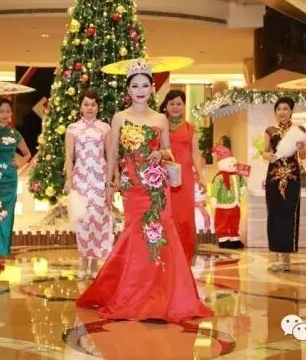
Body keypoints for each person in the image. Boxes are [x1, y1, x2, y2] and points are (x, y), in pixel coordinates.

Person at [76, 59, 212, 322]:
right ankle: (133, 294)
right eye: (135, 86)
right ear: (128, 89)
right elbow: (112, 153)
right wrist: (109, 185)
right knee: (136, 235)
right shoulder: (120, 117)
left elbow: (169, 152)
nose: (140, 90)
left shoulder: (160, 118)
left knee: (162, 236)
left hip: (157, 186)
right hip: (133, 187)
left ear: (152, 88)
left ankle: (162, 295)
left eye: (145, 85)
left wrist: (160, 153)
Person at [64, 90, 112, 279]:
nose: (89, 108)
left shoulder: (105, 128)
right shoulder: (73, 128)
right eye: (86, 104)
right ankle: (84, 260)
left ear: (98, 107)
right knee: (83, 220)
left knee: (99, 218)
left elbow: (110, 155)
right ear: (80, 106)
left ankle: (95, 262)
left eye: (93, 104)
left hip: (100, 179)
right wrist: (69, 179)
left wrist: (111, 180)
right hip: (81, 179)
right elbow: (69, 156)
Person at [0, 97, 31, 271]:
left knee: (5, 217)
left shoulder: (15, 134)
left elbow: (27, 154)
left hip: (9, 178)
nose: (4, 114)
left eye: (7, 111)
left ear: (11, 114)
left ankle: (0, 255)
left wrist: (20, 162)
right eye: (1, 111)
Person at [261, 97, 306, 271]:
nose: (282, 112)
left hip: (292, 176)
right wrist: (267, 156)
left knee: (290, 213)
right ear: (275, 112)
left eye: (285, 109)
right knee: (273, 213)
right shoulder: (270, 131)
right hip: (274, 176)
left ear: (291, 111)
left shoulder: (299, 130)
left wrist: (302, 148)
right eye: (279, 109)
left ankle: (287, 256)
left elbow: (303, 156)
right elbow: (265, 152)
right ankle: (275, 255)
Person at [159, 89, 203, 262]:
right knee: (166, 215)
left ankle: (184, 257)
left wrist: (201, 175)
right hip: (163, 177)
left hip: (185, 178)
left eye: (179, 103)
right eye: (172, 103)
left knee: (185, 217)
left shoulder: (191, 128)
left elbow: (195, 154)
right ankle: (166, 256)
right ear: (166, 105)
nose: (175, 107)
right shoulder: (160, 126)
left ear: (184, 105)